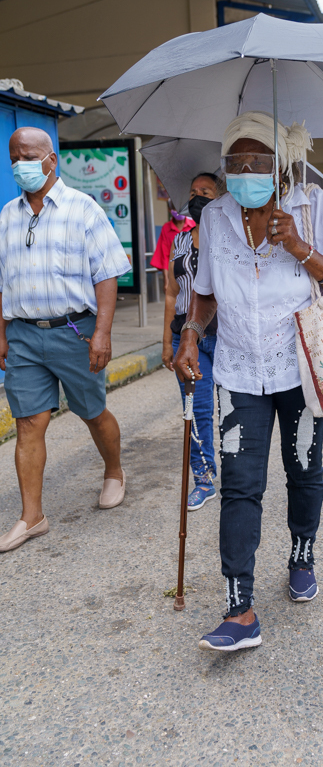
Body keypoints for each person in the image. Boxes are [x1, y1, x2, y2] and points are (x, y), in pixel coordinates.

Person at [174, 111, 323, 652]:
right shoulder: (214, 217)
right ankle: (240, 609)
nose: (245, 171)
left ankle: (302, 553)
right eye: (235, 162)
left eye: (257, 162)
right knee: (240, 486)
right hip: (237, 368)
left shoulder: (310, 205)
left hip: (298, 369)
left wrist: (302, 248)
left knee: (303, 469)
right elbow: (205, 291)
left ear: (281, 166)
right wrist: (190, 332)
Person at [0, 127, 131, 552]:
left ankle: (114, 470)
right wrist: (1, 334)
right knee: (28, 422)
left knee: (92, 412)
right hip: (22, 335)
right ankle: (31, 516)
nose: (20, 164)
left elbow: (107, 273)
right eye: (13, 156)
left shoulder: (83, 209)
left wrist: (103, 334)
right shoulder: (6, 216)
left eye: (28, 156)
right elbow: (2, 283)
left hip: (75, 332)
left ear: (50, 160)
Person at [162, 173, 223, 509]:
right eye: (193, 192)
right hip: (184, 339)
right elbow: (172, 292)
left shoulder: (232, 238)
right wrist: (165, 342)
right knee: (196, 411)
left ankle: (237, 470)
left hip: (225, 337)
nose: (197, 197)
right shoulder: (180, 241)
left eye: (206, 192)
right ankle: (203, 478)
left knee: (230, 409)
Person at [150, 200, 195, 292]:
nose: (178, 211)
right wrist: (166, 282)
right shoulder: (166, 228)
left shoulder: (194, 226)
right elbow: (165, 256)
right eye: (175, 208)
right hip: (174, 274)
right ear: (169, 209)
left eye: (181, 209)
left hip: (193, 273)